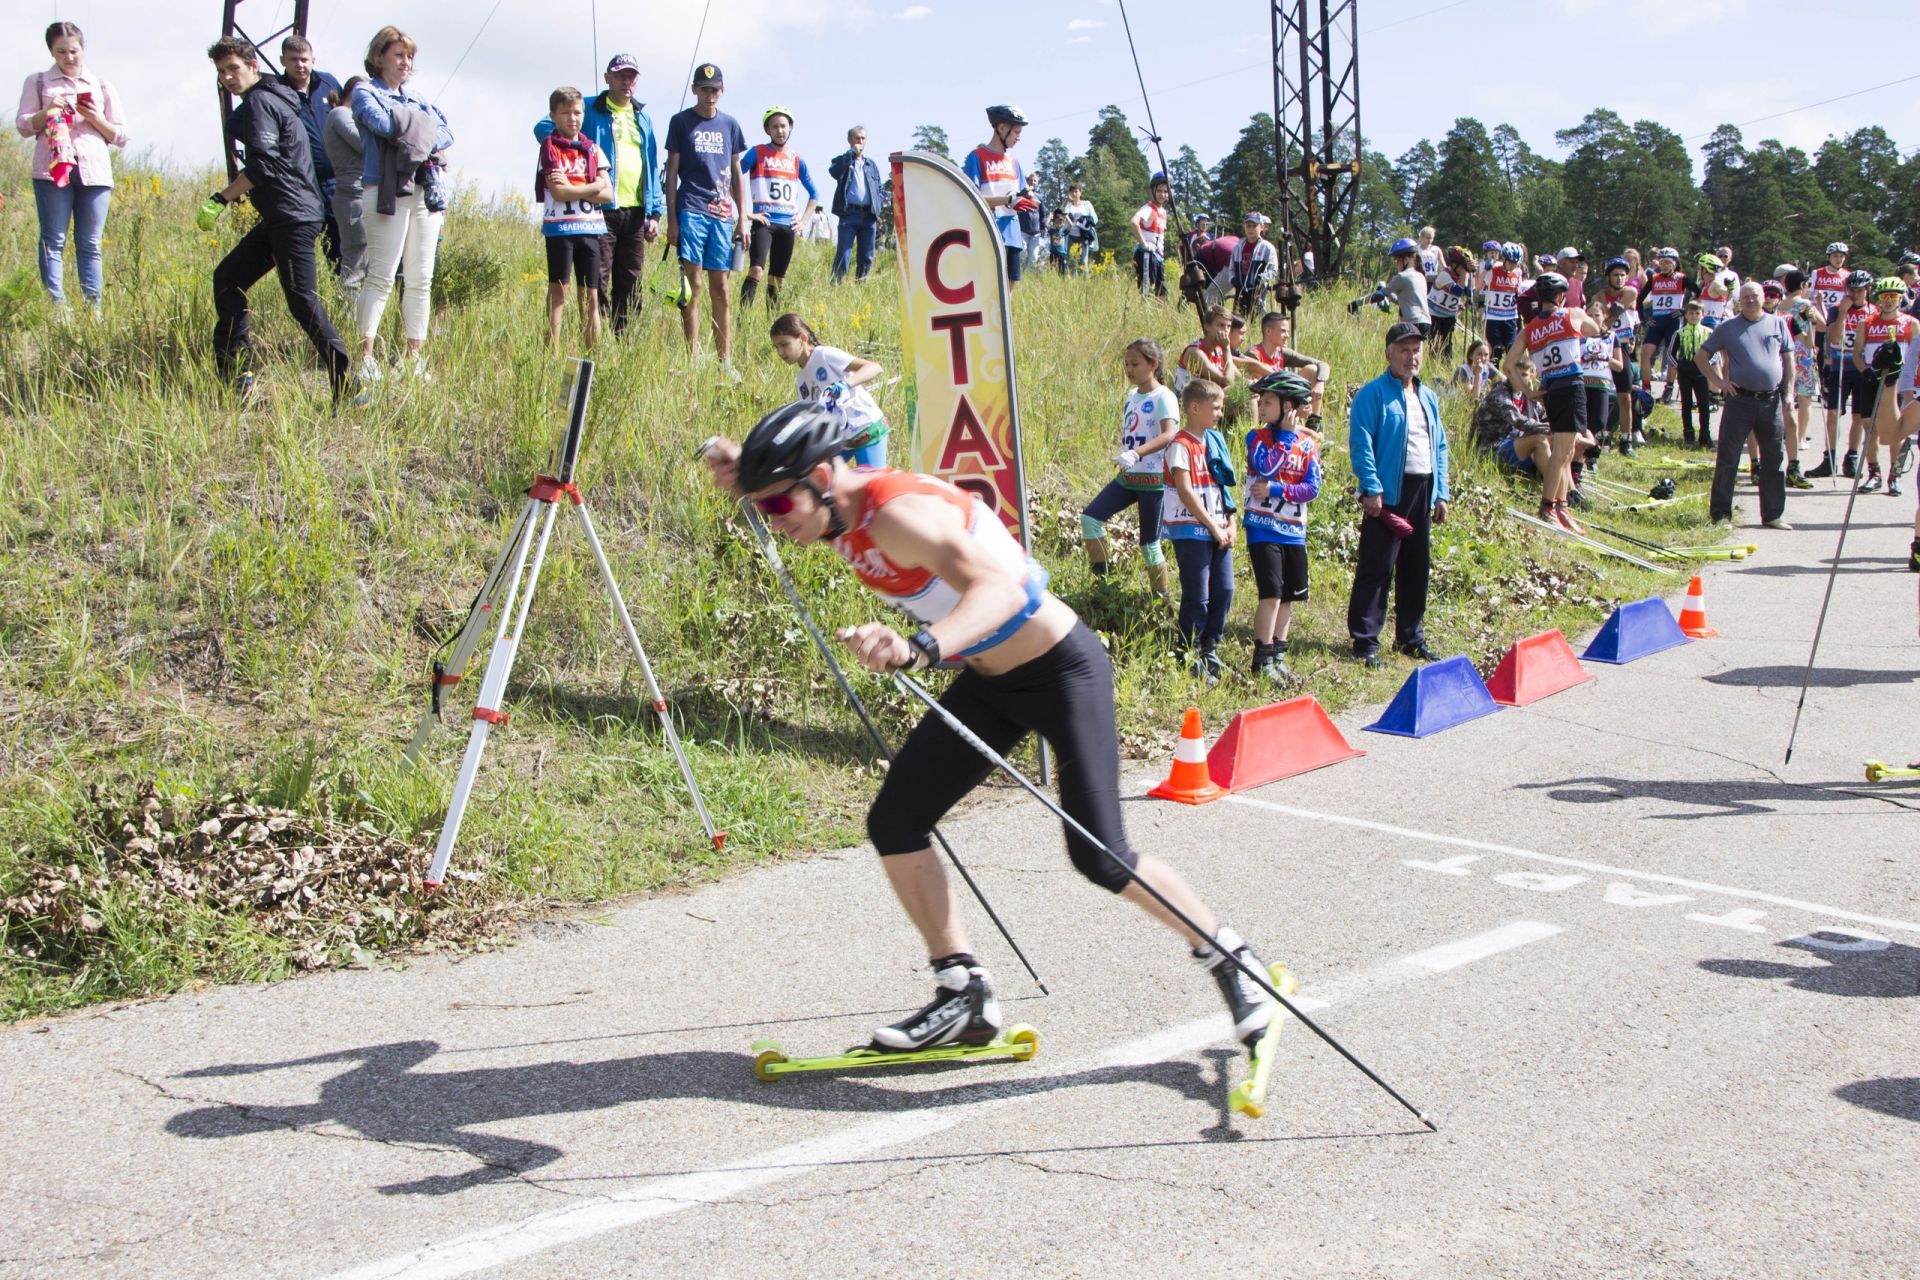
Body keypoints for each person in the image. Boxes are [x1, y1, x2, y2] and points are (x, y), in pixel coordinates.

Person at [703, 407, 1290, 1060]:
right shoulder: (825, 503)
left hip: (1061, 669)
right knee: (896, 819)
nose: (777, 521)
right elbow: (788, 491)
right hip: (993, 683)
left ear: (820, 476)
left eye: (780, 504)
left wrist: (920, 647)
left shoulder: (895, 515)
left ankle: (1234, 958)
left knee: (1101, 855)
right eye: (765, 509)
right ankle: (963, 994)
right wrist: (749, 476)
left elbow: (1005, 591)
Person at [200, 36, 352, 403]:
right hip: (282, 214)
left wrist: (221, 198)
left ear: (253, 65)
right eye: (222, 73)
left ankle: (348, 384)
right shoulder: (274, 98)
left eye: (233, 68)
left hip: (293, 216)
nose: (228, 78)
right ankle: (239, 372)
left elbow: (263, 165)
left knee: (301, 300)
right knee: (228, 278)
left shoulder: (260, 103)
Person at [533, 54, 664, 337]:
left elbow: (651, 163)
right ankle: (597, 337)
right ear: (607, 78)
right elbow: (543, 127)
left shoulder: (643, 117)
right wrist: (577, 150)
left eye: (631, 76)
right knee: (597, 278)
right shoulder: (588, 108)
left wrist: (655, 211)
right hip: (599, 208)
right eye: (620, 75)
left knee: (630, 278)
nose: (626, 81)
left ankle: (624, 340)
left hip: (636, 208)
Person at [351, 25, 453, 384]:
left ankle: (414, 357)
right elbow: (382, 125)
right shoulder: (365, 92)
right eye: (398, 55)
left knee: (420, 279)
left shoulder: (418, 99)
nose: (406, 62)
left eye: (410, 56)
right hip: (384, 190)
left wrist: (416, 128)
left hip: (425, 193)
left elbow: (447, 133)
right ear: (379, 57)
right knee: (380, 275)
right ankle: (364, 355)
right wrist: (422, 130)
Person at [1347, 322, 1450, 667]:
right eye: (1404, 350)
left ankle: (1410, 637)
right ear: (1389, 352)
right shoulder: (1373, 394)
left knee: (1416, 566)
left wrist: (1441, 493)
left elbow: (1440, 446)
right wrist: (1372, 486)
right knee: (1377, 566)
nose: (1411, 357)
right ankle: (1365, 640)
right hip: (1389, 491)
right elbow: (1361, 444)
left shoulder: (1428, 396)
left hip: (1423, 487)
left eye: (1416, 350)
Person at [14, 21, 127, 308]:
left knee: (90, 243)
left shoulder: (101, 85)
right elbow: (24, 126)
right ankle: (57, 306)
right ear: (51, 52)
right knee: (53, 240)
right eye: (61, 51)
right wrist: (47, 112)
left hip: (95, 171)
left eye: (74, 50)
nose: (69, 57)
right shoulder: (38, 82)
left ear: (83, 48)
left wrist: (94, 118)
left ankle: (93, 309)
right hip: (51, 169)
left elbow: (121, 135)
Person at [664, 62, 749, 364]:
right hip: (691, 209)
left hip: (722, 214)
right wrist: (672, 218)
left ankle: (724, 360)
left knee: (722, 288)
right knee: (693, 284)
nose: (709, 94)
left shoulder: (730, 124)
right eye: (704, 89)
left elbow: (738, 172)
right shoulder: (680, 122)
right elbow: (671, 173)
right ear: (694, 90)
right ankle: (692, 356)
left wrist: (744, 218)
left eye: (714, 90)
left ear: (722, 91)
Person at [1080, 338, 1176, 596]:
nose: (1129, 369)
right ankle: (1104, 587)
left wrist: (1136, 453)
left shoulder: (1164, 396)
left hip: (1153, 480)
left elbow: (1169, 434)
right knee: (1090, 519)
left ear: (1153, 364)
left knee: (1149, 546)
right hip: (1129, 477)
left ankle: (1160, 602)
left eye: (1135, 364)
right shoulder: (1132, 395)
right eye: (1126, 364)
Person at [1241, 371, 1320, 683]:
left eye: (1269, 402)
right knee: (1271, 594)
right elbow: (1265, 466)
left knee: (1289, 596)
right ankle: (1261, 658)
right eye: (1261, 401)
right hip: (1263, 528)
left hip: (1294, 531)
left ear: (1288, 406)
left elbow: (1312, 488)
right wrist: (1285, 438)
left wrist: (1275, 490)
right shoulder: (1257, 438)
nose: (1261, 407)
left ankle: (1279, 654)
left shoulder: (1308, 445)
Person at [1698, 281, 1795, 528]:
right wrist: (1718, 380)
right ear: (1739, 300)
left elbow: (1788, 359)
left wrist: (1789, 393)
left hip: (1771, 400)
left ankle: (1773, 514)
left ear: (1764, 298)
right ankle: (1720, 515)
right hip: (1739, 400)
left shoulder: (1778, 323)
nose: (1750, 300)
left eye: (1754, 296)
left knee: (1773, 457)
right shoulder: (1728, 327)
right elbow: (1701, 356)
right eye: (1745, 296)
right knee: (1728, 457)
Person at [1515, 271, 1601, 531]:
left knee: (1567, 449)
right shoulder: (1570, 313)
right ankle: (1548, 505)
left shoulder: (1529, 328)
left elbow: (1509, 364)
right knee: (1563, 451)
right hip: (1571, 384)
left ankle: (1562, 505)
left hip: (1550, 387)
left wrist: (1528, 392)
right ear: (1561, 296)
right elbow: (1595, 330)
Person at [1163, 380, 1235, 683]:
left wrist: (1229, 522)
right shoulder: (1180, 445)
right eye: (1215, 407)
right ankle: (1188, 653)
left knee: (1225, 589)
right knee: (1198, 596)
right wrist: (1213, 527)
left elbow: (1222, 489)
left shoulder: (1214, 442)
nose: (1220, 413)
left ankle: (1210, 649)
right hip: (1192, 530)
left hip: (1218, 528)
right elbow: (1186, 491)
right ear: (1195, 408)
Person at [536, 87, 610, 355]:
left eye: (577, 112)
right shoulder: (550, 147)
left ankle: (591, 357)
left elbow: (608, 193)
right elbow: (559, 192)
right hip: (560, 230)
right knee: (559, 293)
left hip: (590, 228)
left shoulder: (593, 149)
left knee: (590, 296)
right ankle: (551, 354)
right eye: (565, 113)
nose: (573, 119)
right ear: (553, 115)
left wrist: (575, 186)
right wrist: (592, 186)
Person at [770, 311, 890, 467]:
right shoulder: (801, 380)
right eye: (776, 347)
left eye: (785, 344)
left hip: (867, 431)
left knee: (872, 487)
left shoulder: (824, 355)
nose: (780, 352)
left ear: (802, 338)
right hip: (841, 443)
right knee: (816, 481)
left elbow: (875, 367)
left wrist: (846, 384)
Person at [739, 106, 818, 313]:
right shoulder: (757, 152)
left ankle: (772, 323)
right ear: (768, 129)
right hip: (764, 222)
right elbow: (733, 177)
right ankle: (742, 320)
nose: (779, 130)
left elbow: (814, 195)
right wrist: (746, 212)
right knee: (756, 270)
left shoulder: (796, 158)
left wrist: (802, 221)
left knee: (777, 278)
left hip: (787, 226)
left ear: (790, 128)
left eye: (783, 126)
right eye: (774, 127)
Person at [275, 35, 342, 267]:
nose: (300, 65)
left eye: (304, 59)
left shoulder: (329, 83)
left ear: (313, 59)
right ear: (283, 61)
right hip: (303, 184)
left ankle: (344, 295)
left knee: (341, 247)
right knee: (303, 250)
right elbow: (238, 123)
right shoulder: (276, 91)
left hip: (337, 179)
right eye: (293, 60)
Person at [1850, 278, 1918, 496]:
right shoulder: (1867, 323)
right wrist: (1866, 371)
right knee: (1869, 425)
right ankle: (1874, 472)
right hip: (1872, 379)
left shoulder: (1911, 323)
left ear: (1900, 299)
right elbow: (1857, 354)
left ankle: (1894, 474)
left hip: (1898, 382)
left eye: (1893, 297)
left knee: (1897, 429)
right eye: (1884, 297)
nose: (1888, 301)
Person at [964, 105, 1032, 288]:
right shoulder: (977, 157)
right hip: (988, 233)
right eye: (1016, 131)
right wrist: (1007, 200)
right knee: (989, 291)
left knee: (1008, 294)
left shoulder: (1014, 162)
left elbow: (1023, 191)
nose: (1019, 137)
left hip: (1012, 235)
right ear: (1002, 128)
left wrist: (1028, 197)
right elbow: (971, 199)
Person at [1818, 270, 1877, 479]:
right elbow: (1834, 337)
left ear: (1867, 290)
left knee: (1859, 416)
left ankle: (1851, 457)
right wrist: (1843, 312)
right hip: (1840, 366)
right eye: (1851, 290)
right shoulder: (1836, 310)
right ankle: (1829, 458)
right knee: (1834, 412)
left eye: (1859, 290)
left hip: (1861, 369)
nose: (1854, 294)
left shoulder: (1873, 312)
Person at [321, 78, 367, 289]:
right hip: (352, 194)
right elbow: (362, 143)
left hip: (362, 193)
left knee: (366, 263)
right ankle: (350, 320)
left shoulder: (352, 116)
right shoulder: (341, 113)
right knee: (355, 264)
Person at [1245, 311, 1329, 425]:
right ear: (1268, 331)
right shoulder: (1254, 354)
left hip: (1282, 397)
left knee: (1312, 370)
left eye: (1288, 332)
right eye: (1283, 331)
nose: (1287, 336)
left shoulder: (1281, 352)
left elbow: (1322, 364)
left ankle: (1314, 422)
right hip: (1266, 403)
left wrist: (1320, 383)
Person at [829, 125, 883, 283]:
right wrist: (851, 155)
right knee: (844, 253)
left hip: (868, 216)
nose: (860, 141)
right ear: (849, 140)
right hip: (849, 214)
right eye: (857, 138)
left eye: (863, 138)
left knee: (867, 255)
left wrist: (878, 208)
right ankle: (836, 287)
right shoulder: (843, 160)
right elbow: (834, 172)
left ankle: (861, 288)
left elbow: (879, 188)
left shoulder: (871, 165)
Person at [1638, 247, 1691, 396]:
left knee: (1671, 354)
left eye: (1668, 262)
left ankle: (1669, 386)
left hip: (1673, 322)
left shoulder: (1681, 278)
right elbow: (1640, 298)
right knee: (1645, 352)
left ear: (1675, 263)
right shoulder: (1655, 279)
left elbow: (1699, 293)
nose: (1665, 266)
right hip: (1657, 322)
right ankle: (1646, 387)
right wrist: (1644, 320)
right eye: (1662, 263)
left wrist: (1684, 310)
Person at [1353, 237, 1429, 335]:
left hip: (1411, 323)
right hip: (1425, 323)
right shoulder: (1421, 276)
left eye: (1397, 261)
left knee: (1393, 346)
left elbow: (1379, 295)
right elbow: (1407, 301)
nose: (1396, 264)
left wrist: (1356, 303)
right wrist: (1392, 297)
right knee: (1416, 350)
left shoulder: (1402, 276)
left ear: (1406, 259)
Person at [1672, 299, 1716, 449]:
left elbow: (1715, 352)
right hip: (1685, 373)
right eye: (1690, 313)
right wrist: (1680, 365)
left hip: (1701, 373)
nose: (1694, 316)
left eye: (1697, 313)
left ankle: (1705, 435)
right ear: (1685, 315)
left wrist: (1708, 365)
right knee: (1686, 403)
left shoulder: (1708, 332)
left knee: (1704, 404)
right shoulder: (1679, 333)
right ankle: (1688, 434)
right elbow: (1670, 353)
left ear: (1703, 315)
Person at [1176, 305, 1239, 395]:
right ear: (1207, 326)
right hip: (1191, 401)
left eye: (1228, 326)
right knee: (1235, 391)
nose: (1226, 330)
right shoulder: (1195, 352)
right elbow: (1227, 382)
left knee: (1252, 390)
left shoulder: (1219, 350)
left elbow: (1239, 377)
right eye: (1221, 325)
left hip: (1209, 397)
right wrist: (1227, 348)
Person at [1129, 173, 1171, 298]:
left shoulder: (1163, 212)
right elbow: (1133, 222)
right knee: (1147, 290)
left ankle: (1158, 316)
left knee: (1162, 292)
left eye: (1165, 191)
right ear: (1153, 190)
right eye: (1159, 191)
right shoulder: (1148, 208)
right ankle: (1144, 315)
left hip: (1158, 256)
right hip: (1147, 254)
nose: (1162, 194)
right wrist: (1143, 243)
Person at [1426, 245, 1473, 356]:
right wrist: (1465, 273)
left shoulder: (1462, 276)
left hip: (1449, 316)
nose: (1463, 270)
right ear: (1454, 264)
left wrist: (1470, 275)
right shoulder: (1444, 275)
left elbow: (1468, 292)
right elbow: (1457, 291)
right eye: (1462, 266)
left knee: (1447, 345)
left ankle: (1446, 366)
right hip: (1435, 314)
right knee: (1435, 345)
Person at [1483, 241, 1526, 361]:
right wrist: (1485, 270)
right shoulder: (1494, 270)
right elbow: (1477, 285)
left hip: (1510, 316)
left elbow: (1519, 292)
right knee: (1496, 350)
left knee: (1511, 348)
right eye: (1511, 263)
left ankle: (1511, 377)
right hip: (1493, 316)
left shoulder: (1518, 272)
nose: (1513, 266)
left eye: (1515, 263)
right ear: (1505, 259)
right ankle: (1493, 377)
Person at [1230, 213, 1277, 318]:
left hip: (1258, 293)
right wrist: (1234, 281)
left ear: (1261, 227)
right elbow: (1231, 269)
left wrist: (1259, 283)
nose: (1251, 229)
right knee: (1239, 322)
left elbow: (1273, 270)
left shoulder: (1267, 248)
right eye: (1248, 226)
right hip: (1240, 291)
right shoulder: (1237, 247)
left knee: (1258, 320)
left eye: (1254, 226)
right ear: (1244, 227)